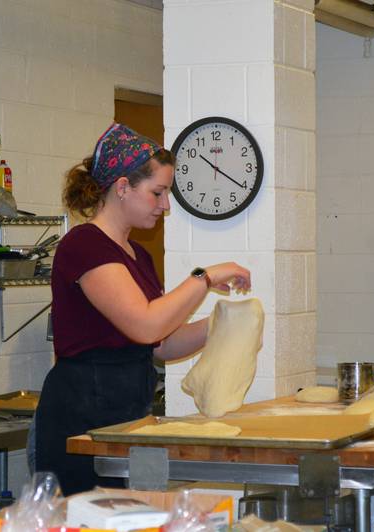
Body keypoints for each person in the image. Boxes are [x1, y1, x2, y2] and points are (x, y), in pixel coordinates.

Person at [35, 123, 251, 495]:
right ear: (122, 187)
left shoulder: (139, 256)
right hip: (82, 418)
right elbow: (145, 325)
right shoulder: (84, 245)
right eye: (158, 193)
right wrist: (204, 277)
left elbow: (162, 344)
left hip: (128, 412)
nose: (165, 206)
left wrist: (220, 323)